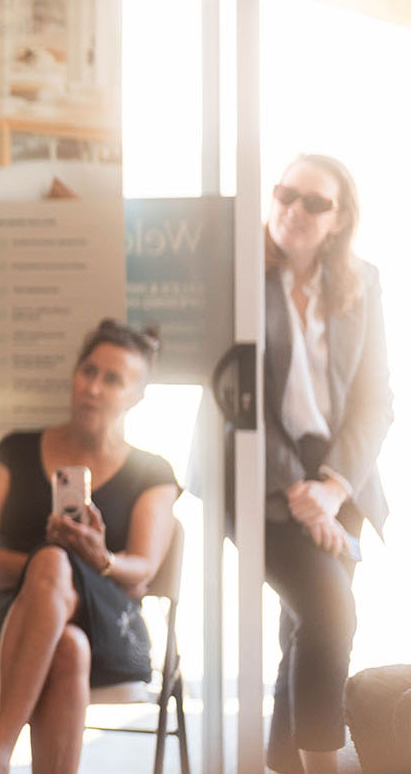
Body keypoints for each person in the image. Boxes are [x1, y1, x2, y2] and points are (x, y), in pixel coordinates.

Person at [0, 319, 179, 774]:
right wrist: (46, 573)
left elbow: (143, 568)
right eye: (88, 371)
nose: (93, 387)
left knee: (54, 563)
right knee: (67, 639)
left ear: (137, 396)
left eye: (113, 379)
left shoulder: (153, 472)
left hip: (111, 629)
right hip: (11, 625)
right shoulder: (16, 450)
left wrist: (98, 560)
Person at [256, 155, 392, 774]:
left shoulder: (362, 282)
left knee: (307, 629)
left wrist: (332, 489)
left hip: (341, 475)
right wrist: (297, 490)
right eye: (287, 194)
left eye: (315, 203)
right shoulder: (243, 274)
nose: (295, 210)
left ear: (339, 219)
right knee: (331, 614)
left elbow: (375, 399)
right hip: (260, 475)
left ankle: (283, 764)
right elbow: (237, 397)